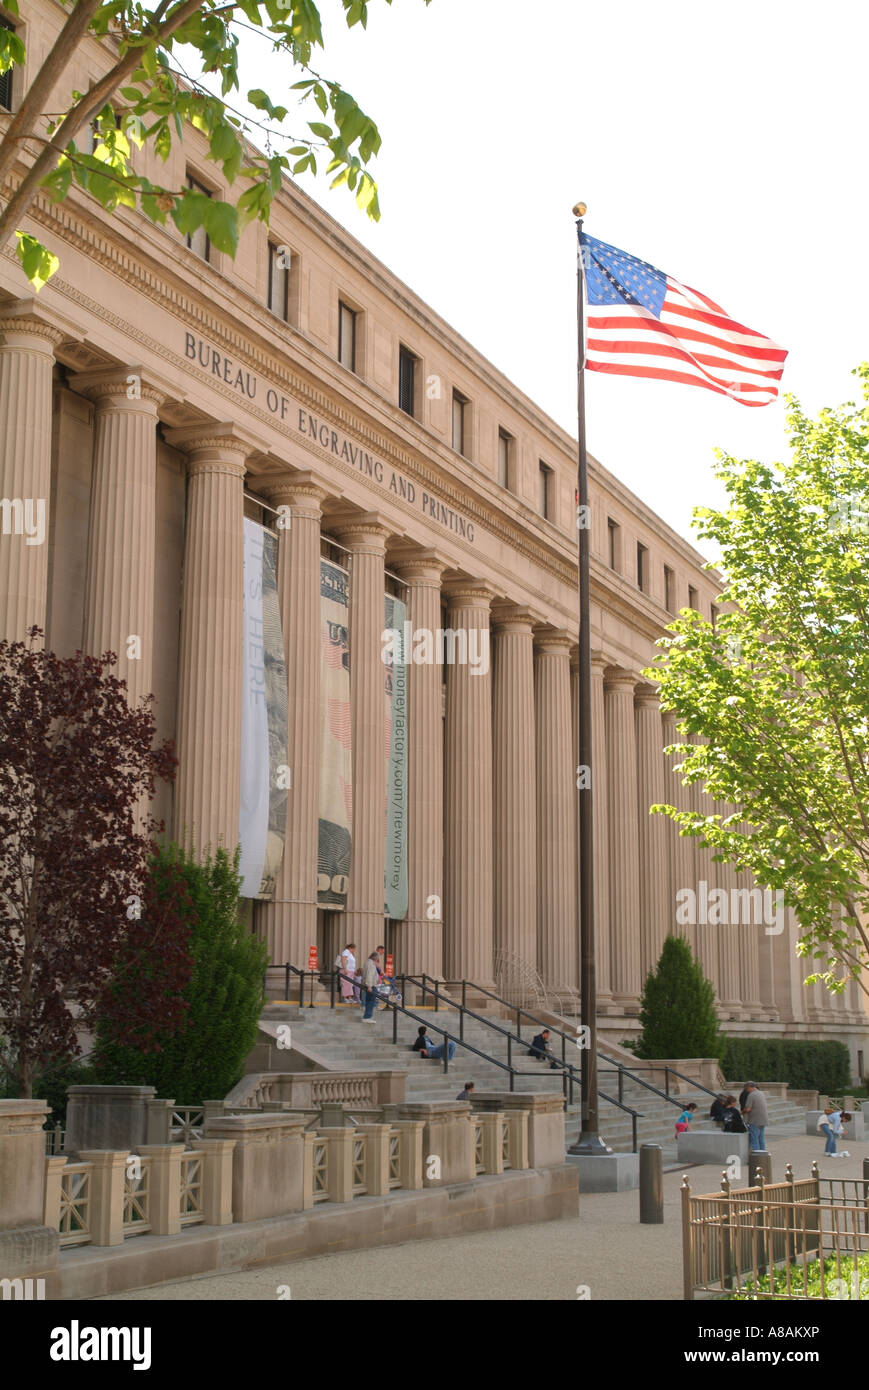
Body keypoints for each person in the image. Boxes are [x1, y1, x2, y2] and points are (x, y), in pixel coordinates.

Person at [742, 1082, 769, 1151]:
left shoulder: (752, 1095)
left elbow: (748, 1109)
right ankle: (763, 1154)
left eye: (746, 1089)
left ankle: (757, 1155)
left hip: (755, 1120)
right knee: (761, 1139)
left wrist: (741, 1112)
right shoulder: (761, 1093)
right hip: (763, 1119)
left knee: (754, 1139)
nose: (746, 1091)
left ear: (750, 1087)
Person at [360, 952, 381, 1021]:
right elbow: (369, 975)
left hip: (369, 985)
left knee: (369, 1001)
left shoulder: (367, 962)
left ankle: (367, 1016)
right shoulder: (371, 964)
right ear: (375, 958)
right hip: (371, 986)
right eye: (377, 959)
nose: (378, 960)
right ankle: (367, 1017)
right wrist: (369, 986)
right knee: (370, 1002)